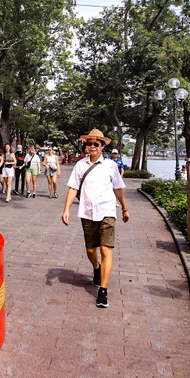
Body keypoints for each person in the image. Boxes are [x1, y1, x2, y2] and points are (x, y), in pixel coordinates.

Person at [61, 129, 129, 309]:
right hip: (87, 212)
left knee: (105, 249)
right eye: (89, 143)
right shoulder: (80, 165)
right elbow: (73, 188)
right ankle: (97, 268)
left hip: (107, 211)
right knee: (91, 250)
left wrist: (125, 208)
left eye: (95, 144)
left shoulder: (110, 166)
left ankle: (103, 291)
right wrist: (66, 209)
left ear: (102, 146)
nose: (91, 146)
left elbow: (118, 188)